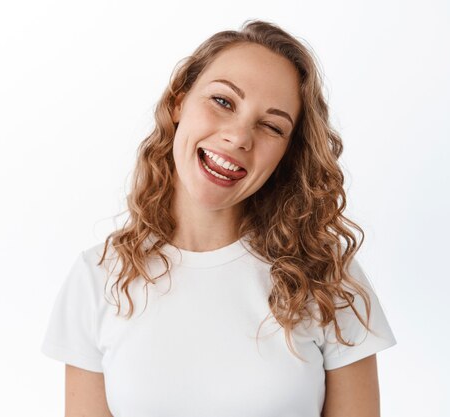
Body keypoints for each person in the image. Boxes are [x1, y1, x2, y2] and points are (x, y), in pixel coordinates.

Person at [41, 19, 397, 417]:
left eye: (272, 126)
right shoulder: (99, 277)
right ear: (179, 102)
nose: (239, 137)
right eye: (223, 102)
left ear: (287, 155)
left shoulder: (327, 278)